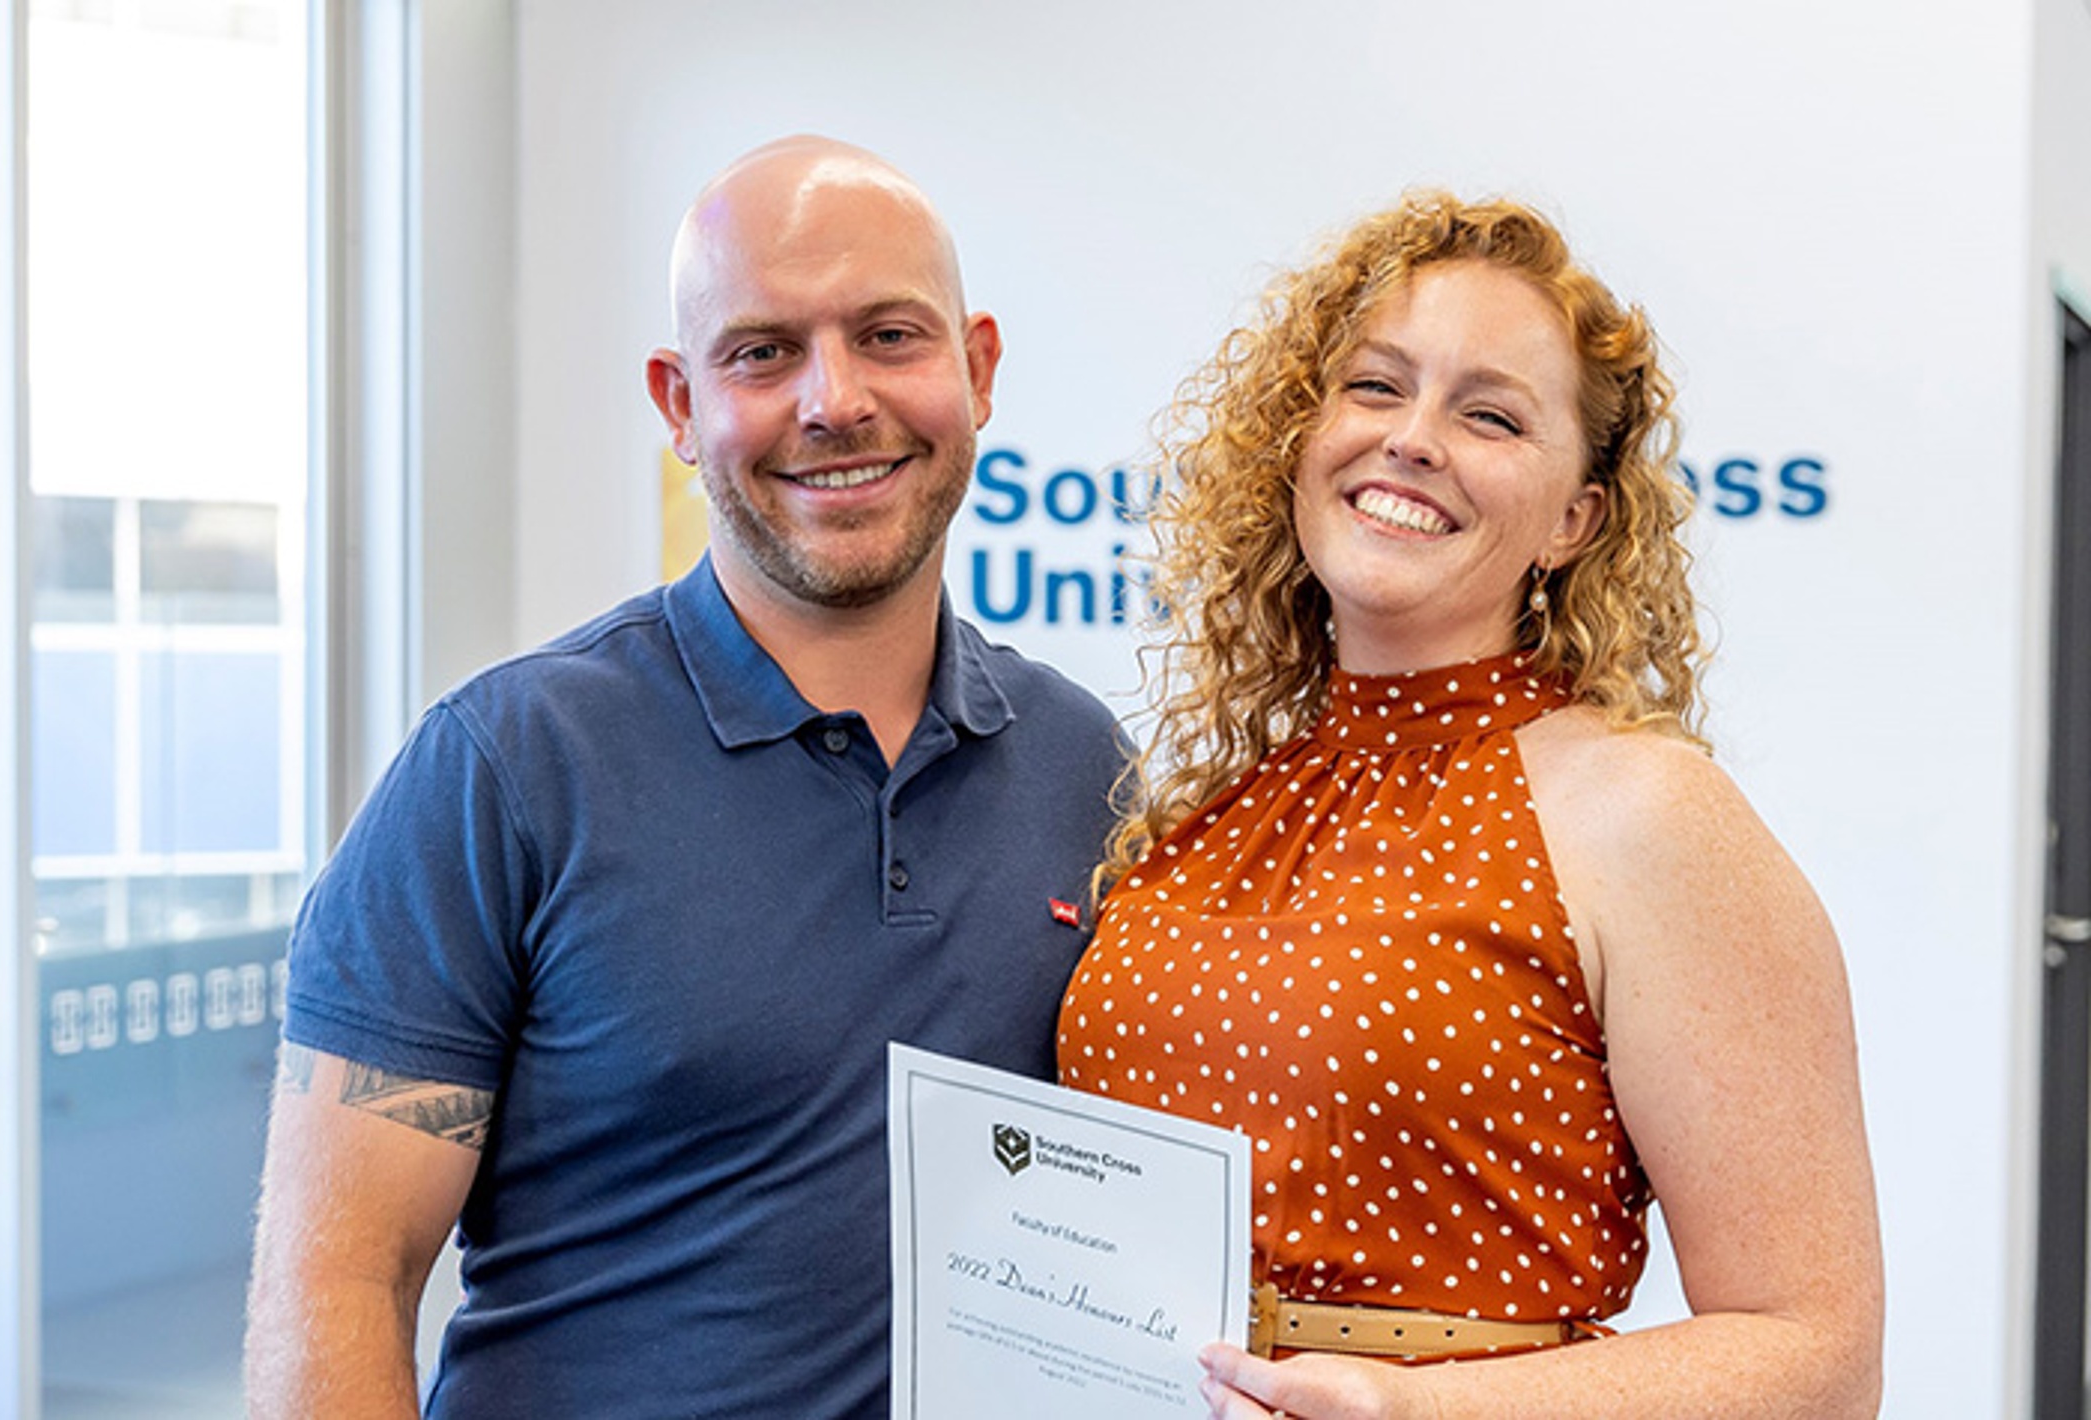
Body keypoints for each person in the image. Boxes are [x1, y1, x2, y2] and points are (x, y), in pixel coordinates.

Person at [244, 136, 1124, 1418]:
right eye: (762, 351)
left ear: (976, 369)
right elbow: (335, 1277)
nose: (834, 402)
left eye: (889, 335)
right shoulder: (504, 768)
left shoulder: (1082, 763)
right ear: (676, 403)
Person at [1057, 191, 1884, 1419]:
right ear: (1298, 435)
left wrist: (1413, 1411)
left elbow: (1817, 1356)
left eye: (1488, 414)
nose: (1413, 438)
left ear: (1573, 518)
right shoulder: (1212, 807)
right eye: (1375, 387)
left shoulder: (1643, 811)